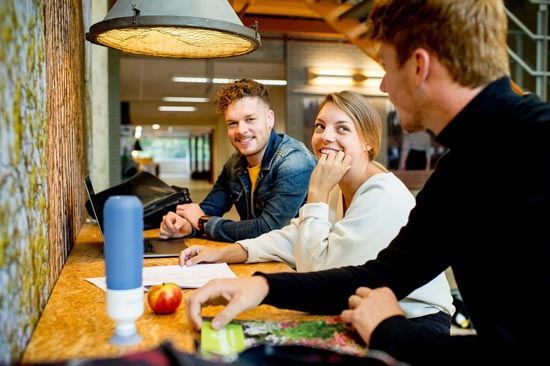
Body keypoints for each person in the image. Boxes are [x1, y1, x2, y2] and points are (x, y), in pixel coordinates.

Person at [184, 1, 550, 365]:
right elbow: (386, 273)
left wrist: (390, 330)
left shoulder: (533, 150)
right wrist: (263, 286)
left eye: (387, 67)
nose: (383, 84)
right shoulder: (462, 167)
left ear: (419, 66)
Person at [179, 90, 454, 334]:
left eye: (342, 129)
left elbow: (316, 272)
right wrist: (225, 252)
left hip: (417, 320)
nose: (325, 137)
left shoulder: (380, 193)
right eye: (320, 126)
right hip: (368, 310)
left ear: (368, 142)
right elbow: (292, 237)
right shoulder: (339, 186)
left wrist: (317, 194)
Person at [159, 79, 317, 242]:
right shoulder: (235, 164)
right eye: (233, 123)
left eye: (250, 119)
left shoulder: (295, 162)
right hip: (257, 257)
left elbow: (269, 230)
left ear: (269, 119)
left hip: (295, 263)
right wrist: (184, 225)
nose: (241, 130)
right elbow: (210, 208)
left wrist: (203, 223)